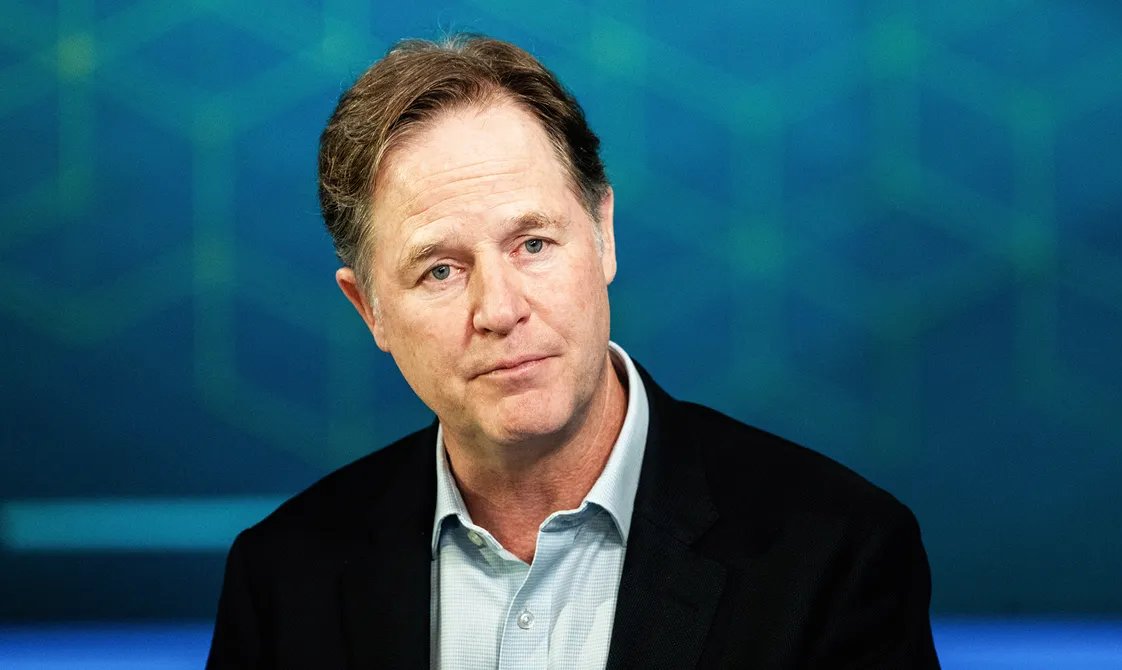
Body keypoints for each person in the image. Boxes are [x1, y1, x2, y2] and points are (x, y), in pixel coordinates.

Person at [208, 34, 939, 669]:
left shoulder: (837, 556)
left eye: (532, 243)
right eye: (441, 270)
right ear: (369, 309)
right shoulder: (281, 582)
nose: (500, 310)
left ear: (602, 233)